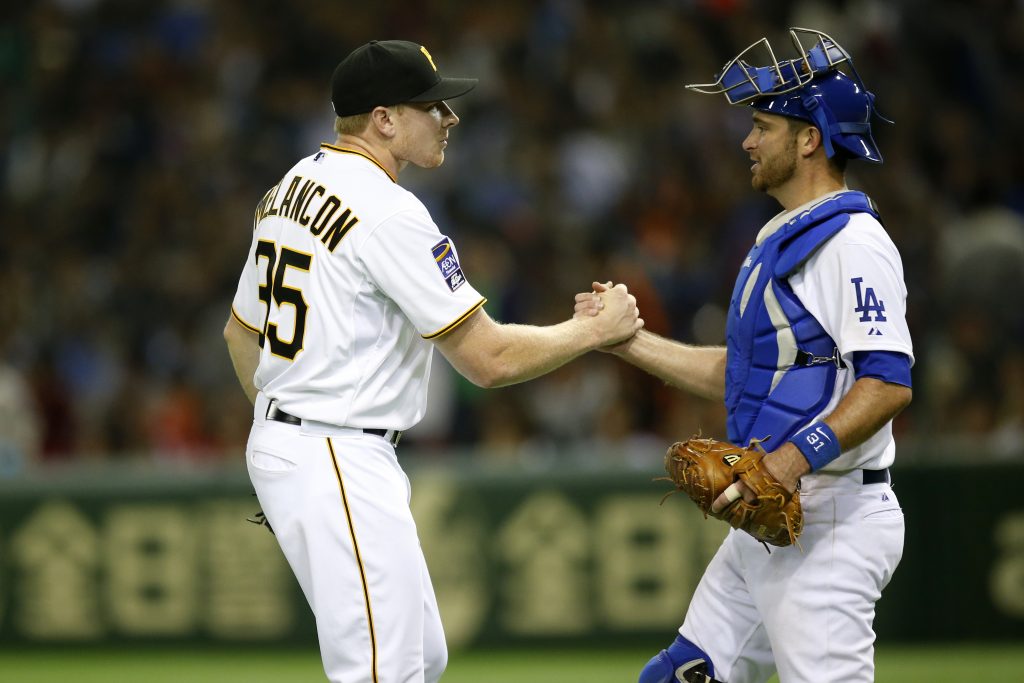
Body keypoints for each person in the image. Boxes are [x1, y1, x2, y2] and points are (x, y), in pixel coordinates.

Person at [222, 39, 642, 683]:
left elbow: (237, 333)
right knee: (382, 672)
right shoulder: (388, 210)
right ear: (384, 118)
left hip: (306, 442)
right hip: (335, 448)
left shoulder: (290, 186)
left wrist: (282, 433)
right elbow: (487, 359)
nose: (449, 118)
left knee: (423, 655)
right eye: (432, 105)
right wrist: (592, 331)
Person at [576, 28, 913, 683]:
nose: (746, 140)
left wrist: (788, 458)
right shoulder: (780, 236)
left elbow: (888, 383)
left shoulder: (853, 242)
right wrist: (630, 341)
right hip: (774, 516)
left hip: (832, 521)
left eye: (763, 125)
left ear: (809, 138)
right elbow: (743, 374)